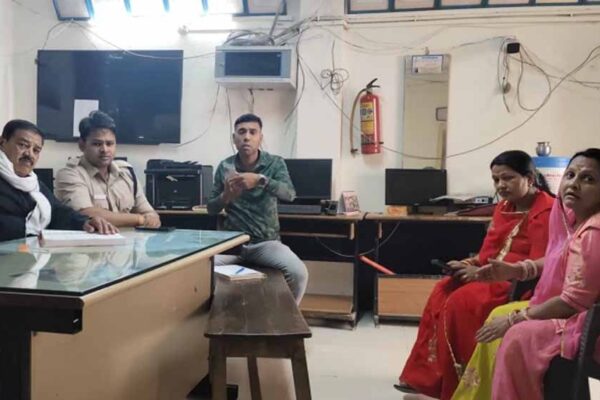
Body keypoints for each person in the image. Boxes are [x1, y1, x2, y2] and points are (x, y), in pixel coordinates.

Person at [397, 150, 555, 400]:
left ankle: (460, 384)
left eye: (508, 178)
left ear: (529, 178)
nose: (501, 185)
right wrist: (467, 264)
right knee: (442, 289)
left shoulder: (547, 211)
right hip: (489, 273)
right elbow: (489, 252)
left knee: (461, 301)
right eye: (496, 179)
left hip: (518, 282)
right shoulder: (504, 207)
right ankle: (430, 379)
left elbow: (540, 264)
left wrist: (483, 273)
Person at [487, 148, 600, 400]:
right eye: (570, 175)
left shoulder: (593, 232)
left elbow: (574, 302)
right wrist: (518, 270)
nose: (574, 184)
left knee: (515, 334)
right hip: (575, 311)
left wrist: (517, 319)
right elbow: (558, 259)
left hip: (588, 324)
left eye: (588, 179)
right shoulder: (573, 217)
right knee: (495, 317)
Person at [207, 113, 308, 303]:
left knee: (298, 273)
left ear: (260, 138)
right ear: (234, 138)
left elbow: (289, 194)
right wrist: (226, 196)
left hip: (266, 244)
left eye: (252, 132)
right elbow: (211, 208)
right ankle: (220, 315)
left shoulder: (274, 163)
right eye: (241, 132)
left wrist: (261, 180)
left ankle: (286, 316)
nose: (247, 137)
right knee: (198, 272)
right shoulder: (225, 166)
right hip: (232, 244)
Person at [0, 119, 116, 242]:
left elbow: (57, 211)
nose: (29, 154)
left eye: (36, 150)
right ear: (2, 142)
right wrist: (30, 230)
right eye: (23, 145)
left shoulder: (33, 183)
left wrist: (86, 222)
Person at [54, 111, 161, 228]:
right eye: (97, 144)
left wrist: (152, 218)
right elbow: (85, 213)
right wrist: (139, 219)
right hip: (92, 239)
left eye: (110, 144)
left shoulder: (126, 173)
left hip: (129, 239)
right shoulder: (69, 174)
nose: (104, 150)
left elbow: (148, 212)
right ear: (82, 145)